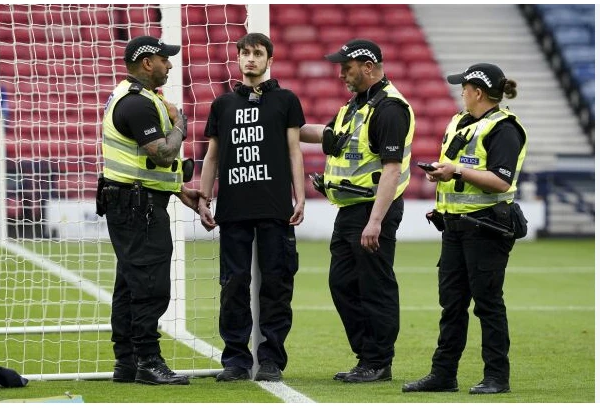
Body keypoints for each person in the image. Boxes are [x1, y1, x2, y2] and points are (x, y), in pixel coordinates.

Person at [402, 63, 527, 394]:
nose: (461, 92)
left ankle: (497, 376)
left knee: (487, 303)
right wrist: (442, 171)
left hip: (487, 227)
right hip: (456, 227)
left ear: (478, 92)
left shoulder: (505, 129)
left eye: (465, 87)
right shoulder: (461, 122)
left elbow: (501, 181)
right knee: (452, 304)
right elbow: (462, 170)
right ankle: (443, 374)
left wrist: (455, 170)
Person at [300, 39, 415, 383]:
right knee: (342, 283)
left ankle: (377, 361)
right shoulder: (356, 105)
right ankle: (368, 356)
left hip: (372, 210)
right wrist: (284, 123)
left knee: (375, 286)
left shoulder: (390, 108)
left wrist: (375, 221)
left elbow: (392, 169)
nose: (340, 75)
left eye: (346, 67)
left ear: (368, 66)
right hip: (350, 209)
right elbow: (327, 134)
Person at [197, 32, 306, 382]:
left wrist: (299, 195)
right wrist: (203, 196)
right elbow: (211, 154)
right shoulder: (223, 104)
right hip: (234, 208)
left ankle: (271, 359)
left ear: (269, 59)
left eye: (258, 53)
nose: (250, 59)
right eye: (245, 53)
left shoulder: (286, 100)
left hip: (276, 207)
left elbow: (294, 151)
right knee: (233, 285)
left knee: (276, 284)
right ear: (238, 59)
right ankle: (235, 360)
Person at [97, 35, 205, 385]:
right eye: (164, 59)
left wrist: (178, 189)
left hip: (132, 202)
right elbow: (162, 154)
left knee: (130, 284)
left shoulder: (135, 98)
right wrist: (181, 124)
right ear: (147, 63)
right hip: (137, 208)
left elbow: (142, 166)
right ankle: (148, 361)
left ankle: (126, 362)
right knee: (148, 283)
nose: (170, 64)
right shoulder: (138, 104)